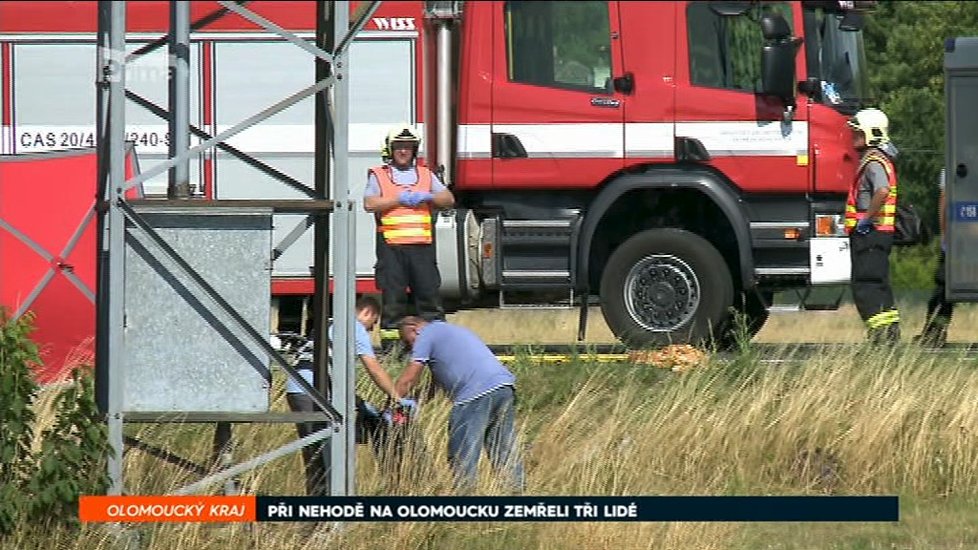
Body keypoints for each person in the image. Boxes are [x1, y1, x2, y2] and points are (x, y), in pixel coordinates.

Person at [285, 295, 414, 495]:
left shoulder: (329, 324)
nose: (372, 330)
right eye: (374, 323)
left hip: (296, 389)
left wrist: (358, 401)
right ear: (367, 312)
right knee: (323, 454)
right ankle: (327, 510)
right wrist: (396, 398)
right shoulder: (353, 328)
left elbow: (333, 372)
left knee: (314, 453)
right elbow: (374, 368)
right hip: (312, 393)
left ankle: (318, 508)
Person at [394, 316, 525, 493]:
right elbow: (435, 386)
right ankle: (516, 494)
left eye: (407, 342)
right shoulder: (449, 331)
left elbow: (410, 378)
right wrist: (414, 402)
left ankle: (464, 499)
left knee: (462, 450)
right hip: (503, 388)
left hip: (474, 394)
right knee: (503, 447)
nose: (410, 348)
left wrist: (391, 402)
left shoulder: (426, 335)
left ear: (413, 329)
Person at [364, 125, 455, 355]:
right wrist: (398, 199)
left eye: (408, 147)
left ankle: (437, 348)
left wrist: (429, 196)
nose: (403, 151)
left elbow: (448, 199)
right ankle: (392, 353)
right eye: (399, 147)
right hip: (391, 249)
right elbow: (370, 203)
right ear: (390, 150)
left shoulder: (425, 174)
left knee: (429, 300)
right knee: (393, 303)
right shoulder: (379, 174)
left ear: (415, 150)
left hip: (421, 249)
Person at [844, 108, 901, 344]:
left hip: (871, 235)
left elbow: (882, 190)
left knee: (866, 286)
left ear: (872, 133)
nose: (853, 136)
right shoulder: (875, 159)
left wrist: (866, 219)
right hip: (876, 235)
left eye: (858, 132)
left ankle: (880, 338)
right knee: (878, 285)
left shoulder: (874, 162)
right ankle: (889, 336)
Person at [914, 168, 955, 347]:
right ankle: (934, 332)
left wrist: (946, 238)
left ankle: (934, 334)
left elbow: (944, 202)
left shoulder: (955, 164)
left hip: (960, 240)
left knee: (944, 288)